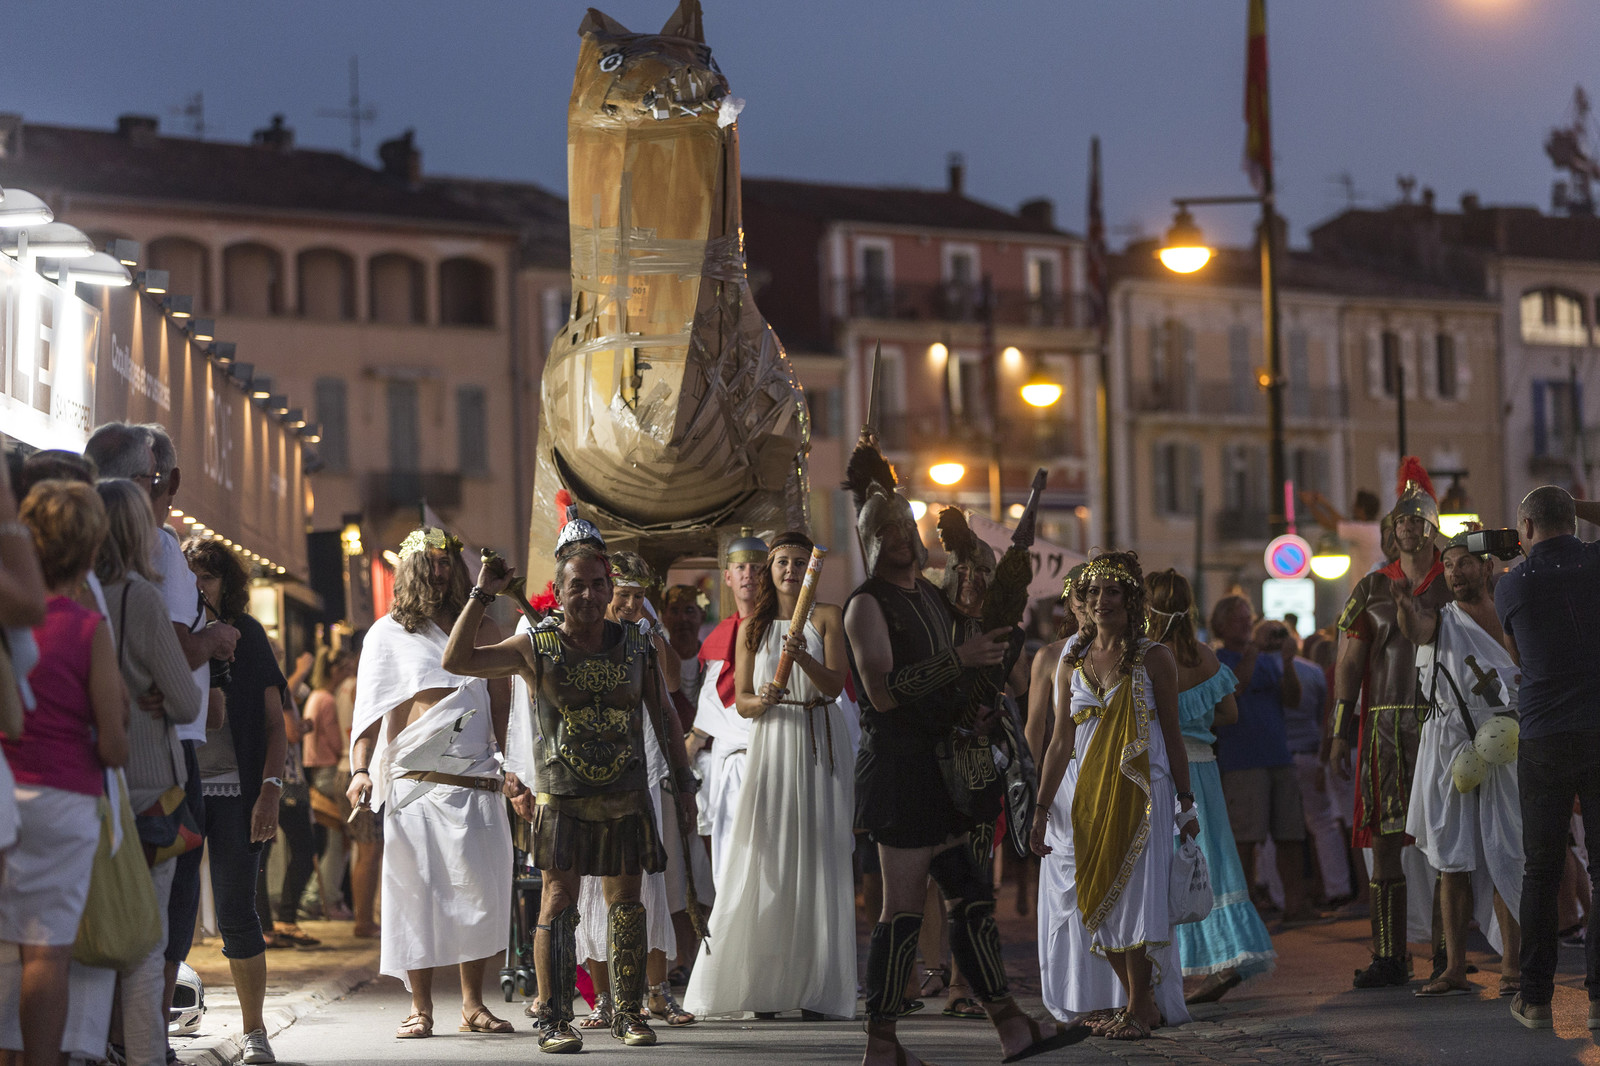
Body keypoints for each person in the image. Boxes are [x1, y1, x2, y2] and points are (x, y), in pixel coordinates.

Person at [843, 437, 1068, 1066]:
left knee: (971, 902)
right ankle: (881, 1044)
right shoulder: (866, 604)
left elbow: (957, 679)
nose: (899, 538)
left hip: (950, 770)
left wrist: (980, 700)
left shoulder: (933, 599)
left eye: (903, 527)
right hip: (901, 771)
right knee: (902, 911)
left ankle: (1010, 1026)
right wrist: (957, 660)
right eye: (884, 531)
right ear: (870, 540)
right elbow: (884, 693)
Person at [443, 518, 698, 1052]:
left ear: (610, 590)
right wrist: (481, 593)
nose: (587, 594)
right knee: (558, 902)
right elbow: (457, 659)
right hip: (562, 796)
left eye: (597, 584)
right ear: (557, 592)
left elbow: (665, 715)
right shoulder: (533, 645)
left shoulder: (637, 646)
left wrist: (685, 784)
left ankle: (628, 1012)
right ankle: (556, 1018)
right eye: (575, 585)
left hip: (626, 794)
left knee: (627, 903)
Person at [86, 422, 240, 1023]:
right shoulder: (154, 566)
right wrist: (218, 639)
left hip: (102, 764)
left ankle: (107, 1036)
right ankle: (142, 1037)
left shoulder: (76, 580)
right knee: (158, 917)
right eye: (154, 481)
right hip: (158, 766)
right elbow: (177, 678)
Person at [344, 527, 514, 1039]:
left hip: (475, 780)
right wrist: (358, 769)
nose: (440, 572)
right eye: (431, 564)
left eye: (447, 563)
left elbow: (501, 707)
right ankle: (420, 1007)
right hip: (416, 784)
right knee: (414, 895)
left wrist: (509, 766)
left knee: (477, 893)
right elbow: (368, 713)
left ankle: (472, 1005)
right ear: (412, 570)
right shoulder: (387, 634)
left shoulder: (478, 629)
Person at [683, 531, 856, 1020]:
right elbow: (743, 700)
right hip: (773, 737)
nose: (790, 569)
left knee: (819, 856)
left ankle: (820, 988)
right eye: (781, 561)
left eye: (800, 562)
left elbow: (835, 683)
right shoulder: (751, 628)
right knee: (769, 858)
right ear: (769, 570)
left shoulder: (827, 616)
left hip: (817, 734)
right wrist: (765, 701)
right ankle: (765, 986)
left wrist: (802, 656)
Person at [1032, 552, 1194, 1040]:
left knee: (1138, 896)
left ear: (1131, 599)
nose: (1102, 600)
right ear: (1082, 600)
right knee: (1099, 894)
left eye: (1113, 591)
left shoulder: (1154, 656)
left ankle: (1142, 1006)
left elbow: (1172, 732)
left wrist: (1187, 804)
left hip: (1145, 791)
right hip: (1087, 795)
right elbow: (1059, 741)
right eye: (1094, 592)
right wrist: (1040, 809)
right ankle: (1133, 1002)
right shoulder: (1071, 661)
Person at [2, 480, 127, 1066]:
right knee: (45, 954)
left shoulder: (10, 618)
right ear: (90, 548)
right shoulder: (86, 628)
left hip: (5, 790)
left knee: (4, 951)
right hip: (65, 799)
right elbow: (114, 744)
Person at [1329, 458, 1450, 988]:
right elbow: (1349, 665)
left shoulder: (1456, 581)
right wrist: (1337, 732)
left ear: (1430, 527)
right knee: (1384, 842)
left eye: (1415, 520)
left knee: (1450, 843)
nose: (1406, 528)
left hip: (1444, 723)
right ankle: (1389, 956)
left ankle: (1447, 953)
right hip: (1382, 728)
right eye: (1399, 521)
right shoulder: (1371, 588)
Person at [95, 479, 203, 1066]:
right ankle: (143, 1055)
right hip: (147, 794)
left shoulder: (80, 592)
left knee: (90, 938)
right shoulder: (139, 596)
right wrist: (160, 688)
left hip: (92, 786)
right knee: (144, 940)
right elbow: (186, 703)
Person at [1394, 532, 1523, 999]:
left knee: (1507, 853)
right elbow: (1416, 629)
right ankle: (1452, 967)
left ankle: (1513, 966)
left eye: (1465, 563)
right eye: (1449, 565)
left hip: (1506, 746)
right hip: (1451, 746)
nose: (1455, 573)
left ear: (1487, 568)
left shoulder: (1511, 614)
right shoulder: (1441, 620)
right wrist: (1406, 605)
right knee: (1452, 860)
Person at [1494, 486, 1600, 1028]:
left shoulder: (1510, 585)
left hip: (1544, 733)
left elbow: (1518, 655)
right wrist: (1575, 508)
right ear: (1572, 521)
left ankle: (1535, 998)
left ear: (1527, 529)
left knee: (1541, 868)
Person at [575, 551, 695, 1031]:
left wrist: (648, 626)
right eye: (622, 595)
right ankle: (604, 999)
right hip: (592, 771)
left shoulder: (645, 636)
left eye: (638, 596)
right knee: (592, 883)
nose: (628, 604)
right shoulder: (581, 638)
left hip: (644, 768)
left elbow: (668, 687)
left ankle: (658, 990)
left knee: (653, 880)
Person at [1143, 570, 1275, 1005]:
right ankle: (1224, 958)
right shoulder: (1205, 656)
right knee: (1211, 861)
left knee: (1165, 865)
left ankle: (1170, 968)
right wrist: (1196, 722)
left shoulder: (1148, 656)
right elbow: (1230, 713)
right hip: (1205, 766)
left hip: (1165, 770)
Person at [184, 538, 287, 1066]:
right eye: (191, 575)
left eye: (209, 575)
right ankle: (148, 1030)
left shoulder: (247, 635)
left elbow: (275, 727)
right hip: (178, 790)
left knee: (235, 912)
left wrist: (270, 791)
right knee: (173, 917)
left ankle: (255, 1032)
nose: (200, 584)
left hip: (235, 793)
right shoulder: (175, 633)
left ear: (228, 583)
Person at [1208, 597, 1311, 925]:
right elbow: (1234, 688)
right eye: (1238, 619)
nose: (1245, 624)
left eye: (1247, 618)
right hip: (1242, 760)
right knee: (1245, 839)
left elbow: (1293, 699)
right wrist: (1254, 651)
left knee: (1290, 835)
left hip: (1278, 755)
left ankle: (1296, 904)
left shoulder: (1267, 660)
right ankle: (1244, 908)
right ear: (1221, 626)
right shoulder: (1217, 660)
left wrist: (1289, 662)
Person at [689, 529, 768, 881]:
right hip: (729, 768)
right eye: (741, 568)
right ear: (728, 577)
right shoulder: (720, 634)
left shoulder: (783, 629)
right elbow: (707, 715)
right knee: (730, 877)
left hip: (772, 763)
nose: (748, 574)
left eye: (756, 567)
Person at [1284, 630, 1352, 908]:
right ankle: (1337, 886)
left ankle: (1283, 894)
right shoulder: (1313, 672)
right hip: (1311, 750)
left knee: (1284, 829)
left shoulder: (1269, 668)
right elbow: (1324, 715)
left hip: (1286, 753)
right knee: (1324, 822)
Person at [302, 647, 355, 919]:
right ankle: (324, 899)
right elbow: (337, 741)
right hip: (329, 772)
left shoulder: (315, 696)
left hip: (316, 772)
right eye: (346, 669)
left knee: (336, 842)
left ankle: (320, 898)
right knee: (341, 842)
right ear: (335, 670)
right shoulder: (327, 700)